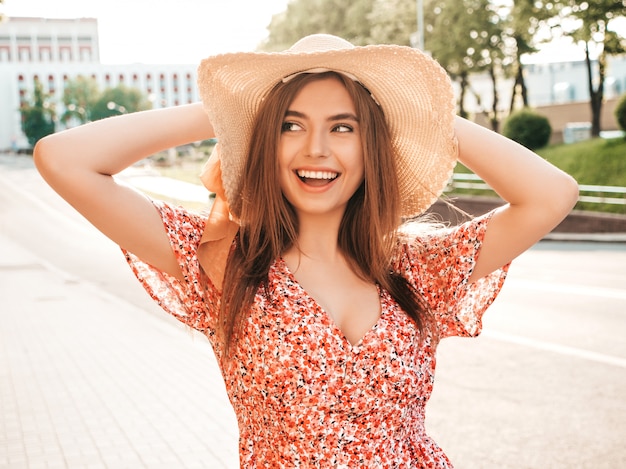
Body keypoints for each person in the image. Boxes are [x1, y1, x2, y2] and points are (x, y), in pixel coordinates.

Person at [34, 34, 578, 468]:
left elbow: (553, 194)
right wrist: (228, 112)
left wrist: (420, 116)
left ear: (372, 148)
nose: (316, 148)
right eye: (291, 125)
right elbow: (63, 159)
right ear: (264, 142)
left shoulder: (418, 270)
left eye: (344, 127)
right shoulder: (224, 261)